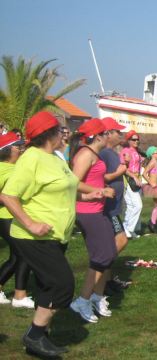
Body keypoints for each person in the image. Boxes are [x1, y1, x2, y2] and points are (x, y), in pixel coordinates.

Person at [1, 111, 99, 357]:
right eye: (60, 130)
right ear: (49, 134)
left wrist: (87, 195)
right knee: (62, 285)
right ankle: (34, 334)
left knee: (48, 285)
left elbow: (65, 185)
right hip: (34, 236)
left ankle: (41, 338)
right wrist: (31, 223)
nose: (64, 134)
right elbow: (8, 195)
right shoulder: (31, 159)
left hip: (56, 235)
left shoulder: (54, 157)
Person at [68, 118, 120, 325]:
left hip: (97, 210)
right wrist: (100, 191)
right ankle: (82, 300)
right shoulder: (86, 154)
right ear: (99, 136)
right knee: (101, 256)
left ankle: (96, 297)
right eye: (106, 133)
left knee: (108, 253)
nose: (109, 136)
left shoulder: (93, 154)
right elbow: (73, 182)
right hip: (87, 211)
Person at [98, 117, 132, 292]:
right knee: (120, 240)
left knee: (113, 242)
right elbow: (101, 177)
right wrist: (120, 170)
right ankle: (99, 273)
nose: (121, 134)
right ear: (108, 134)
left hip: (113, 206)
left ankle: (107, 280)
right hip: (108, 207)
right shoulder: (105, 153)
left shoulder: (110, 152)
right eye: (117, 131)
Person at [0, 132, 33, 308]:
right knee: (24, 253)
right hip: (5, 218)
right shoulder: (1, 168)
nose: (21, 149)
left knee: (16, 256)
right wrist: (7, 198)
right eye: (17, 146)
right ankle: (20, 296)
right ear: (6, 150)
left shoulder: (18, 167)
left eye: (21, 145)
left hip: (17, 217)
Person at [121, 130, 143, 239]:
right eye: (133, 139)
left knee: (131, 206)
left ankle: (128, 229)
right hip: (129, 180)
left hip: (136, 180)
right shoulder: (126, 151)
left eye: (137, 139)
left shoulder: (136, 151)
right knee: (138, 205)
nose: (136, 141)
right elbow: (124, 168)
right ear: (128, 140)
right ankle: (129, 229)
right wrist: (134, 177)